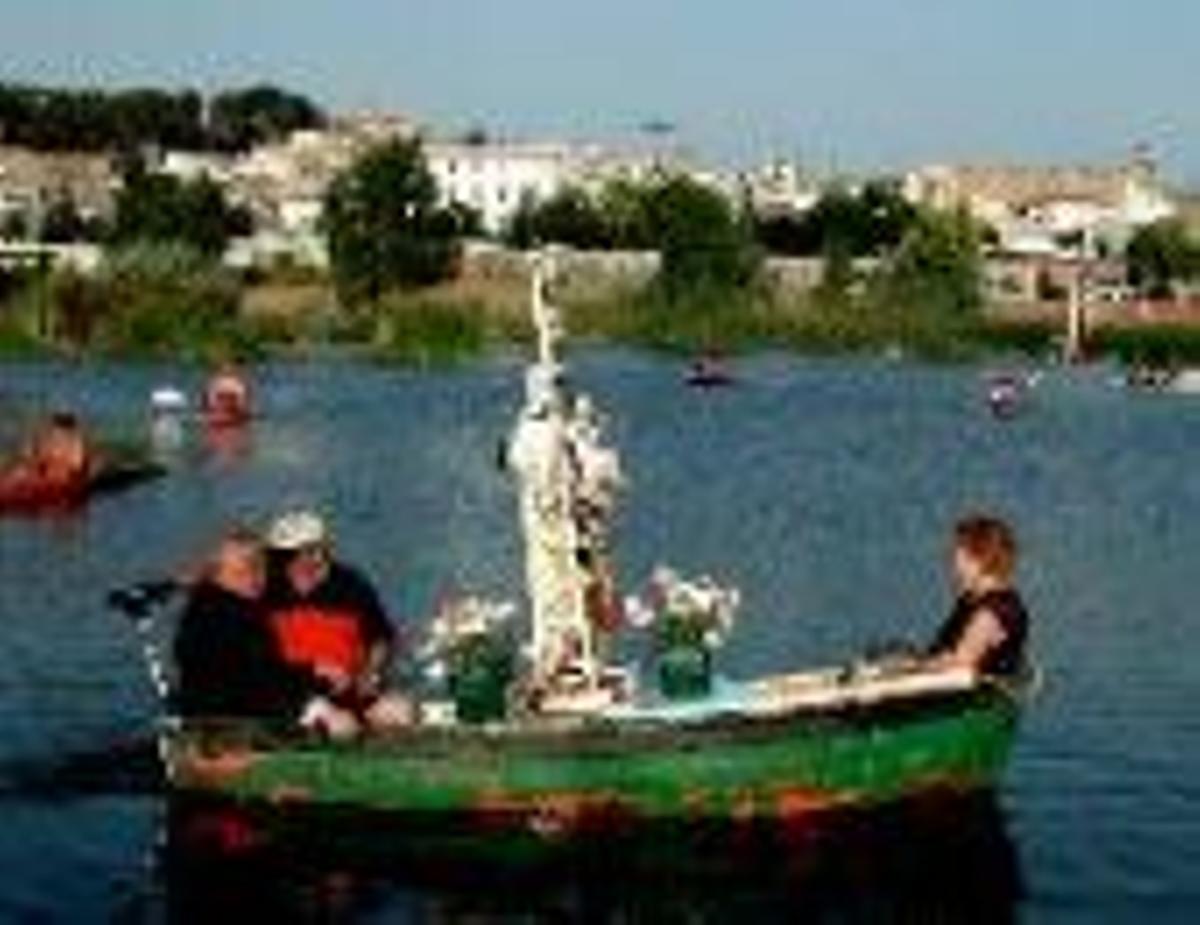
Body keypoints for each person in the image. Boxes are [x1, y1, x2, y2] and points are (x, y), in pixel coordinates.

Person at [265, 510, 412, 732]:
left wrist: (370, 673)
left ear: (321, 550)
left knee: (400, 713)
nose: (293, 561)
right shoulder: (268, 587)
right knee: (340, 726)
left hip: (351, 691)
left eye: (302, 552)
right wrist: (315, 672)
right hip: (294, 694)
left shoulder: (351, 584)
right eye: (286, 555)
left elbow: (380, 637)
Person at [173, 529, 317, 722]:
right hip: (238, 723)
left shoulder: (203, 606)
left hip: (203, 714)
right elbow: (263, 683)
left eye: (261, 566)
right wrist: (313, 681)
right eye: (246, 569)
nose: (258, 577)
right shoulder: (236, 618)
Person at [928, 515, 1030, 678]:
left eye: (959, 555)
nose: (954, 564)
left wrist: (917, 666)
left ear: (979, 559)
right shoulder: (970, 600)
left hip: (966, 686)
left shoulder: (994, 611)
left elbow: (961, 664)